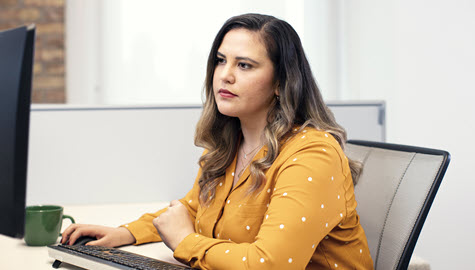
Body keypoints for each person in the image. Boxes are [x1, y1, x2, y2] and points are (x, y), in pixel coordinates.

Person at [61, 13, 374, 269]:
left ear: (281, 82)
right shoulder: (230, 146)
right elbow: (193, 210)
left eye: (244, 65)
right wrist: (125, 233)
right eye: (221, 61)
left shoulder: (312, 154)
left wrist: (185, 242)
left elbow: (270, 265)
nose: (225, 75)